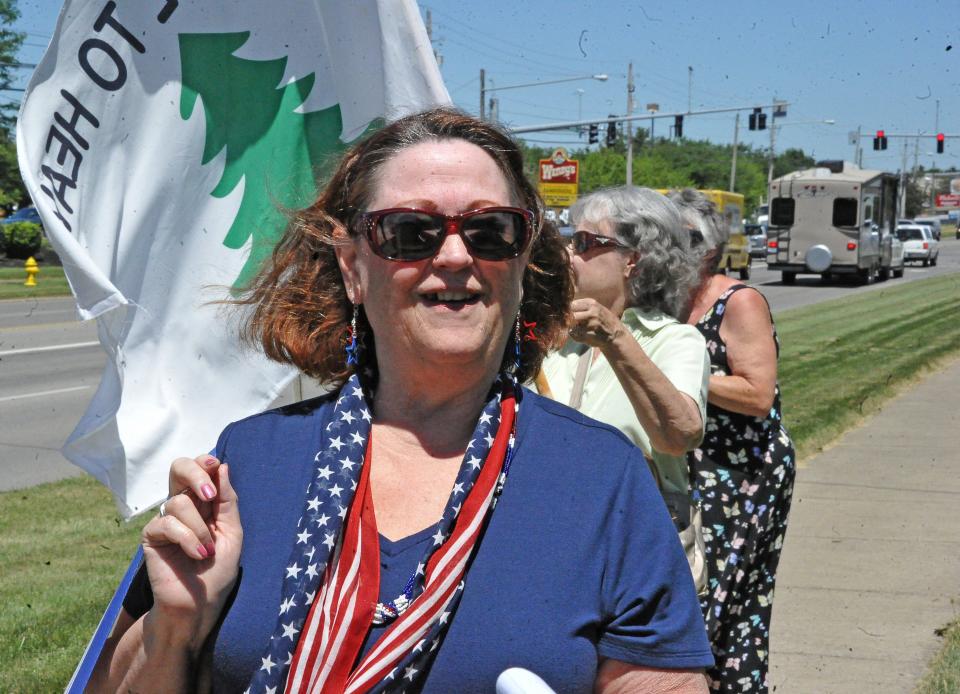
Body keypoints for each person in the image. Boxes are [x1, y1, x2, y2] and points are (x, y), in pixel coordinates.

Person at [89, 109, 713, 693]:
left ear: (523, 262)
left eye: (490, 230)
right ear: (352, 266)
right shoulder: (247, 463)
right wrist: (174, 628)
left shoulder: (602, 479)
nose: (454, 255)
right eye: (410, 232)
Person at [537, 186, 709, 592]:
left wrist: (613, 336)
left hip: (638, 552)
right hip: (552, 542)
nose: (568, 254)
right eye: (568, 239)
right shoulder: (555, 336)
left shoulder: (674, 340)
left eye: (584, 243)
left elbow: (679, 435)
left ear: (633, 259)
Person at [670, 188, 796, 693]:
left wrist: (674, 380)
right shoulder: (671, 299)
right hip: (692, 463)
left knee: (718, 599)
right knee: (697, 596)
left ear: (704, 246)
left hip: (742, 471)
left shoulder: (737, 301)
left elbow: (757, 394)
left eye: (674, 239)